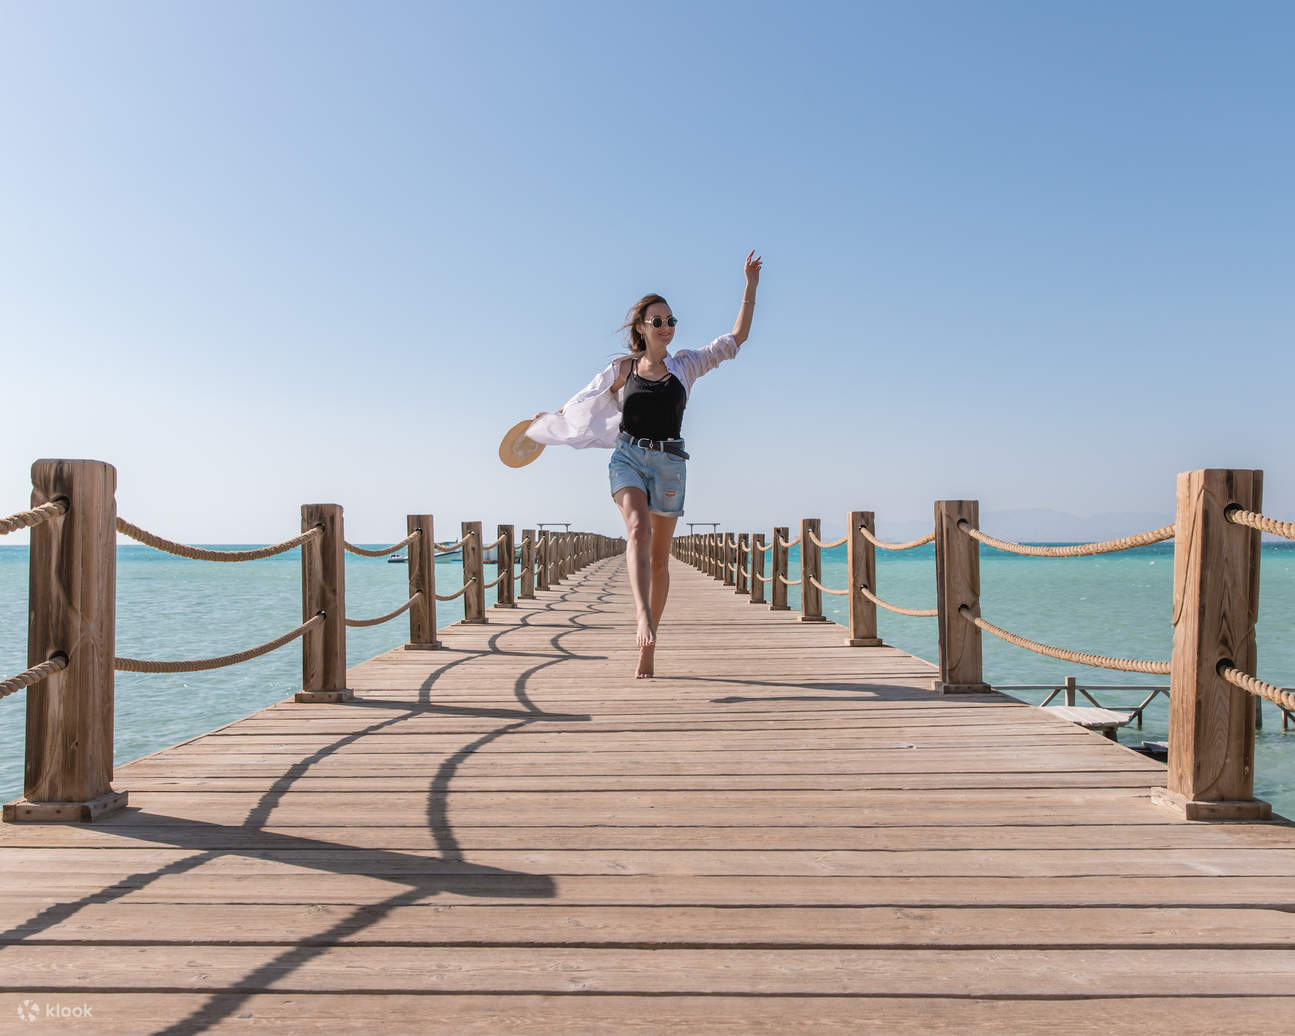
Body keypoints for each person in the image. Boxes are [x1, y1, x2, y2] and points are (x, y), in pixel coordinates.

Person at [527, 252, 762, 678]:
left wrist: (750, 286)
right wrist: (550, 421)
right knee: (637, 528)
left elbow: (735, 339)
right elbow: (584, 400)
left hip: (670, 462)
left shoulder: (686, 365)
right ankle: (642, 617)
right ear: (641, 328)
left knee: (659, 558)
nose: (667, 328)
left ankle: (650, 647)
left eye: (671, 321)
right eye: (658, 321)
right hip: (628, 456)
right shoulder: (622, 369)